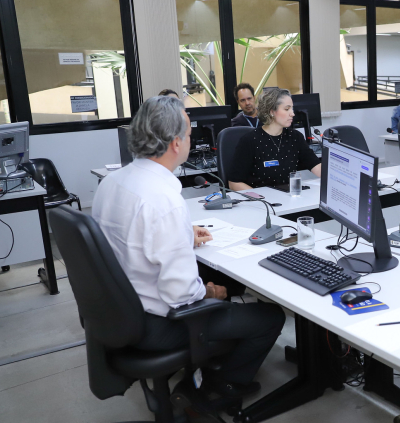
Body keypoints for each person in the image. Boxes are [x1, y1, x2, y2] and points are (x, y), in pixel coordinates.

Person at [92, 96, 285, 398]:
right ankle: (219, 389)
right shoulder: (163, 200)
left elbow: (131, 237)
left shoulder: (113, 183)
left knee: (221, 284)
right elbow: (181, 294)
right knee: (270, 316)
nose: (191, 139)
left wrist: (180, 233)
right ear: (175, 144)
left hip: (119, 313)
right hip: (158, 323)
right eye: (189, 134)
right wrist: (211, 293)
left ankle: (212, 366)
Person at [229, 88, 321, 190]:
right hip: (262, 202)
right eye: (287, 109)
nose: (292, 114)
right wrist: (261, 199)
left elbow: (317, 167)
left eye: (292, 109)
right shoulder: (250, 141)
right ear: (272, 111)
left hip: (288, 200)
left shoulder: (295, 137)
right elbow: (234, 183)